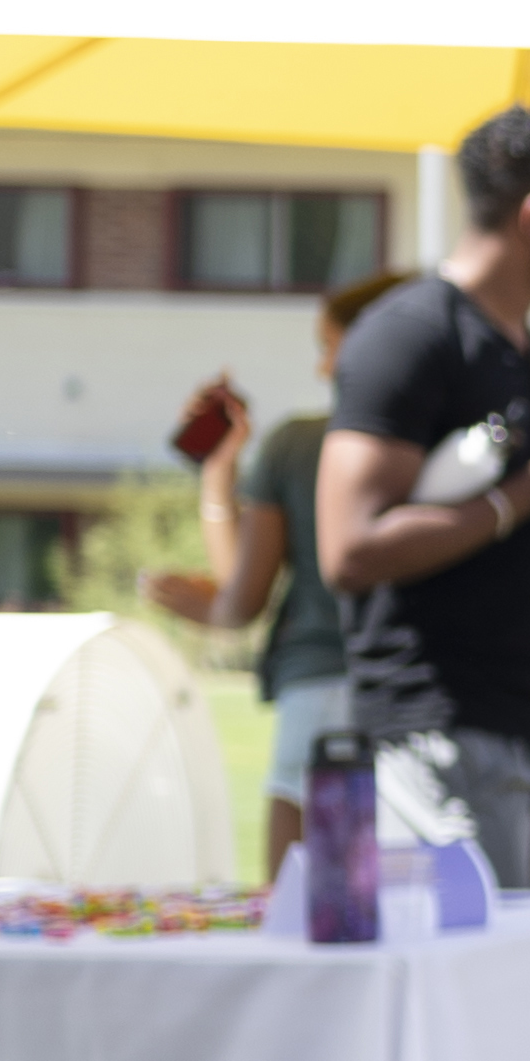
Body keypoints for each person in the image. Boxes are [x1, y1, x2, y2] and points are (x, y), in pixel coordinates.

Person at [317, 106, 530, 886]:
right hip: (443, 730)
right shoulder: (410, 335)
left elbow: (510, 543)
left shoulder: (529, 352)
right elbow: (349, 549)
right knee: (463, 985)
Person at [157, 273, 414, 871]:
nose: (324, 369)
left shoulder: (301, 444)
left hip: (319, 684)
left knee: (301, 901)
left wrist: (220, 475)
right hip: (422, 693)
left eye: (328, 348)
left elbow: (240, 597)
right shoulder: (446, 442)